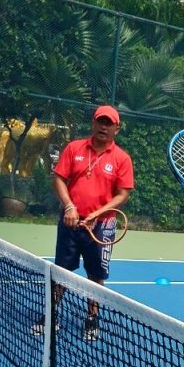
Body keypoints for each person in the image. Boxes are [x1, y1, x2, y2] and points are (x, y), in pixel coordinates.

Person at [32, 105, 133, 341]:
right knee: (61, 271)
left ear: (116, 129)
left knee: (96, 275)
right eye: (101, 121)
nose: (104, 127)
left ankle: (92, 318)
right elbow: (59, 178)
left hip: (102, 226)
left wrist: (99, 213)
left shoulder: (122, 158)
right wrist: (69, 207)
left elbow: (123, 194)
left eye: (109, 123)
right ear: (93, 123)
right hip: (70, 223)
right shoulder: (74, 148)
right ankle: (51, 316)